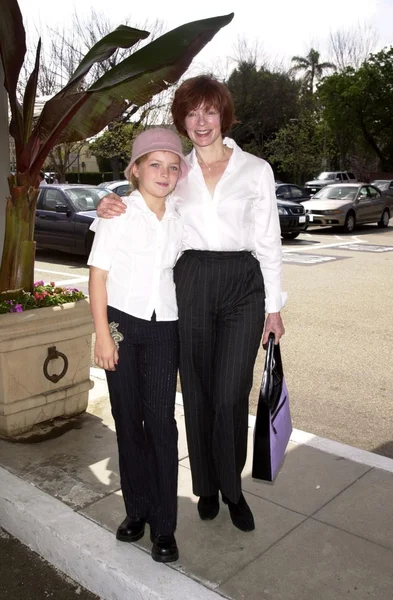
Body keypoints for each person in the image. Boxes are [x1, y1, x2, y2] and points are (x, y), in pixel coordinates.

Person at [95, 75, 286, 534]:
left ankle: (232, 488)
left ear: (224, 115)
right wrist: (109, 201)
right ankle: (205, 487)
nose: (201, 122)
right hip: (193, 280)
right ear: (183, 120)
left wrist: (274, 307)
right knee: (196, 390)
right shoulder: (176, 169)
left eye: (210, 111)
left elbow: (269, 240)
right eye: (192, 113)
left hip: (243, 283)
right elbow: (142, 196)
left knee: (229, 392)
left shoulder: (256, 169)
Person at [88, 128, 189, 563]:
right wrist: (103, 334)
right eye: (155, 164)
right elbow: (98, 277)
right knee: (128, 422)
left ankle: (164, 526)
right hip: (122, 326)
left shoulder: (185, 215)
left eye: (172, 166)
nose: (164, 173)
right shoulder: (118, 213)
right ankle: (137, 511)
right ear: (135, 169)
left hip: (166, 328)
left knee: (161, 426)